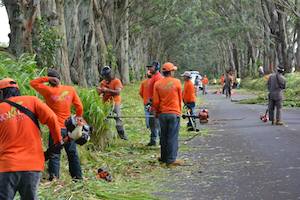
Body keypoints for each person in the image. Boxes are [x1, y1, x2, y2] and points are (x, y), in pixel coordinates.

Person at [0, 78, 62, 200]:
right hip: (32, 165)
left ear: (1, 93)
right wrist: (57, 141)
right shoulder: (32, 101)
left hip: (7, 166)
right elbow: (52, 118)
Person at [30, 69, 84, 181]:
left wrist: (47, 79)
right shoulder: (70, 90)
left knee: (54, 154)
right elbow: (79, 107)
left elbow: (33, 83)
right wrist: (78, 119)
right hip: (69, 129)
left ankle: (54, 178)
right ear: (59, 78)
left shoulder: (48, 90)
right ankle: (78, 178)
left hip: (55, 128)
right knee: (72, 153)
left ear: (50, 81)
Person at [153, 62, 183, 166]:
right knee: (172, 136)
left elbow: (156, 102)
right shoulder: (177, 82)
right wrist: (179, 111)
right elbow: (180, 99)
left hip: (162, 114)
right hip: (174, 113)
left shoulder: (157, 84)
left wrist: (156, 112)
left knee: (164, 136)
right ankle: (171, 160)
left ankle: (164, 157)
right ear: (170, 72)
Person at [97, 66, 128, 140]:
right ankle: (106, 137)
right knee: (104, 119)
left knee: (118, 119)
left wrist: (107, 90)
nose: (105, 78)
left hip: (115, 101)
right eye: (104, 76)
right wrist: (99, 91)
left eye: (107, 76)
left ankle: (122, 136)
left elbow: (118, 92)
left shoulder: (116, 81)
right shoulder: (103, 82)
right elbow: (99, 93)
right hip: (106, 103)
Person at [146, 61, 163, 146]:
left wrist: (153, 103)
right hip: (152, 104)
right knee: (152, 123)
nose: (149, 69)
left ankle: (161, 141)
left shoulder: (158, 78)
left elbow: (159, 93)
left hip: (156, 105)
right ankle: (153, 140)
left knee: (158, 123)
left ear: (156, 67)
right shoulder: (153, 77)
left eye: (151, 67)